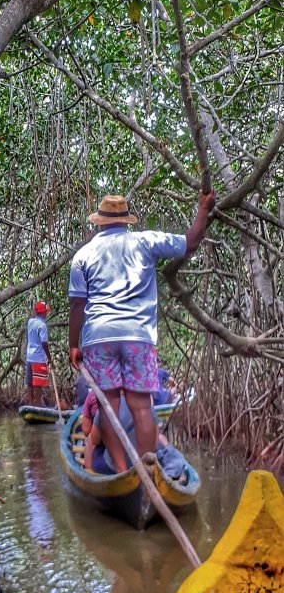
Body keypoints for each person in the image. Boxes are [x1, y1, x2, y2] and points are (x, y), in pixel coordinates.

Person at [69, 190, 215, 472]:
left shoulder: (83, 255)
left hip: (99, 338)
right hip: (138, 337)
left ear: (99, 222)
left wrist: (74, 345)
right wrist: (202, 210)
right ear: (126, 221)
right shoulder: (145, 241)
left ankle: (124, 469)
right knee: (141, 408)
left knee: (108, 410)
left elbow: (77, 304)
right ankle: (146, 467)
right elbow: (190, 243)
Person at [25, 300, 53, 405]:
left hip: (29, 356)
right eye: (46, 312)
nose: (47, 313)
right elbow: (44, 343)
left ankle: (31, 403)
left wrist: (35, 310)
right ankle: (38, 406)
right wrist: (49, 358)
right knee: (38, 383)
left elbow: (32, 314)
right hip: (38, 357)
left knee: (30, 382)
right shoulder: (42, 326)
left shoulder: (30, 322)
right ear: (44, 313)